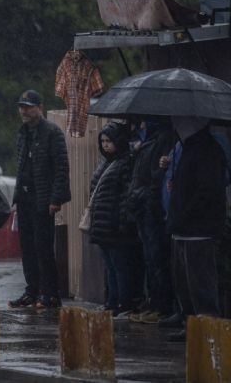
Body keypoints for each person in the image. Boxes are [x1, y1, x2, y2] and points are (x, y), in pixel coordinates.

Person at [164, 116, 226, 342]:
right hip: (183, 227)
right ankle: (190, 321)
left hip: (198, 228)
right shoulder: (189, 148)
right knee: (184, 281)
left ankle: (206, 324)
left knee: (200, 280)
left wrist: (184, 213)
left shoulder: (207, 150)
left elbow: (206, 191)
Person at [9, 90, 71, 309]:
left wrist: (55, 199)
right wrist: (17, 197)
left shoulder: (52, 132)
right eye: (22, 107)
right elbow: (21, 165)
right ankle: (32, 290)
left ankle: (50, 293)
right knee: (27, 248)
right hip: (25, 197)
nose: (24, 111)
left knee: (43, 246)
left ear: (39, 108)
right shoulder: (23, 132)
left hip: (42, 198)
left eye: (28, 106)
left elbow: (62, 168)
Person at [88, 121, 143, 317]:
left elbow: (125, 195)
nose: (105, 145)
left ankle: (124, 303)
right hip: (103, 223)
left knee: (120, 266)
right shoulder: (106, 163)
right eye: (102, 141)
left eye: (109, 141)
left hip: (115, 225)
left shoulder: (125, 162)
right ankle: (112, 302)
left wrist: (122, 222)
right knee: (110, 266)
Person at [124, 119, 175, 323]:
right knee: (149, 258)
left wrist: (146, 196)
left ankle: (162, 306)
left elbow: (155, 175)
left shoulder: (163, 138)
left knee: (157, 257)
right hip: (142, 204)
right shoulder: (146, 140)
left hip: (152, 206)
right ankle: (154, 303)